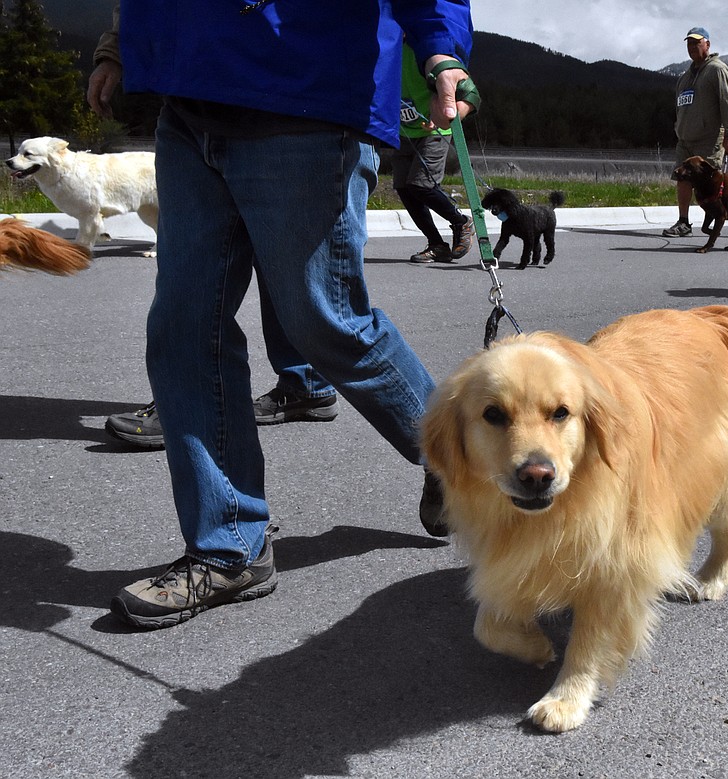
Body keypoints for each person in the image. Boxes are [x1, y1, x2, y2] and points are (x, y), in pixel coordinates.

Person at [107, 0, 476, 629]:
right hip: (189, 94)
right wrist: (117, 45)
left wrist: (440, 46)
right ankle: (229, 547)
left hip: (307, 95)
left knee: (322, 319)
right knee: (182, 327)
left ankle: (458, 458)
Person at [90, 5, 340, 448]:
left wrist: (435, 57)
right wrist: (115, 49)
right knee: (192, 287)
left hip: (302, 91)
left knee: (307, 293)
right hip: (200, 91)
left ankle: (441, 441)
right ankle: (187, 407)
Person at [398, 45, 476, 264]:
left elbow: (462, 85)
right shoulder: (384, 42)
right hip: (402, 129)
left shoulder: (424, 41)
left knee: (420, 185)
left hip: (435, 128)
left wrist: (445, 109)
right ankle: (436, 245)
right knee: (403, 188)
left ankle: (461, 222)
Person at [662, 27, 728, 238]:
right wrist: (679, 127)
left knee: (713, 183)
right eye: (689, 43)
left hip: (710, 138)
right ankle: (684, 222)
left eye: (697, 43)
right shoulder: (685, 77)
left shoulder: (717, 70)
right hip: (685, 139)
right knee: (682, 178)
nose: (692, 47)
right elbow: (680, 107)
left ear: (708, 44)